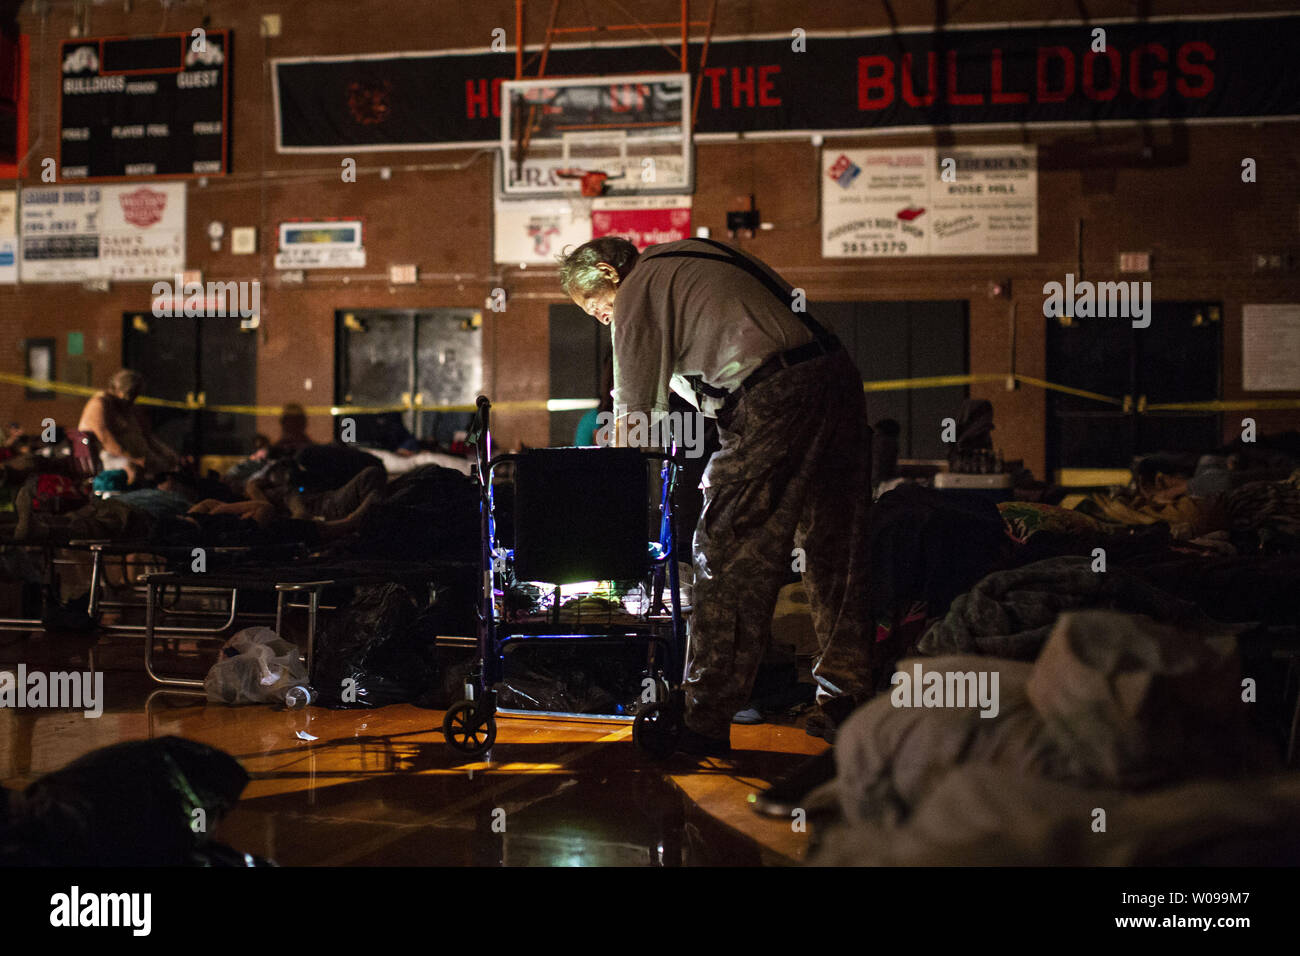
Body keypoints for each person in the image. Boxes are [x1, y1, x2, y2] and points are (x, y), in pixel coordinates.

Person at [558, 235, 877, 756]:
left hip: (770, 394)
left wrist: (603, 496)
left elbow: (637, 416)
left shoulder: (638, 288)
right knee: (834, 545)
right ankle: (848, 696)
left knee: (727, 549)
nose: (603, 321)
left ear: (607, 274)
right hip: (833, 373)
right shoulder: (690, 258)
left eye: (596, 309)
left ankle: (704, 715)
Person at [77, 370, 181, 484]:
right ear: (122, 391)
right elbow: (107, 441)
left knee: (171, 465)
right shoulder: (100, 405)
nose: (134, 399)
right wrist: (134, 459)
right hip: (107, 458)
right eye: (132, 394)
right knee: (134, 469)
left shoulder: (128, 408)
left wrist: (167, 454)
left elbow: (146, 436)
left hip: (136, 456)